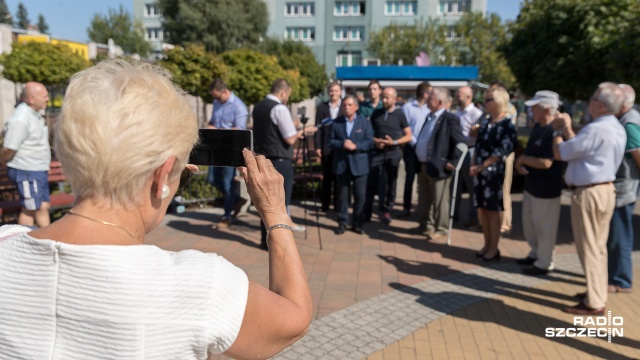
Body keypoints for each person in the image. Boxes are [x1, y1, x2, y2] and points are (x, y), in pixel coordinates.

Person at [0, 61, 312, 359]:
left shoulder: (6, 243)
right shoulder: (201, 284)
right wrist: (274, 212)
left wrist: (162, 186)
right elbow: (294, 320)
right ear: (162, 174)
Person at [552, 82, 626, 315]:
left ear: (601, 105)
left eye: (593, 98)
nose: (589, 101)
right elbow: (580, 151)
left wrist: (557, 130)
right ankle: (596, 291)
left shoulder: (596, 129)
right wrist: (568, 130)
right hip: (604, 190)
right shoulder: (614, 127)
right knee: (598, 247)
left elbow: (561, 152)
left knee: (589, 248)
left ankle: (594, 301)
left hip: (590, 193)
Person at [514, 91, 564, 275]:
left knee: (545, 227)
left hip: (546, 188)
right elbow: (531, 156)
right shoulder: (537, 127)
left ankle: (544, 262)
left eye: (535, 107)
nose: (531, 110)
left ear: (547, 109)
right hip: (532, 185)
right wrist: (523, 162)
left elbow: (546, 162)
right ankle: (535, 253)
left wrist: (523, 160)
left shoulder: (554, 130)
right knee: (530, 223)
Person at [252, 79, 305, 249]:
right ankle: (278, 244)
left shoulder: (258, 106)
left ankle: (264, 241)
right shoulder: (280, 108)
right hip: (279, 161)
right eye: (287, 95)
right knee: (280, 205)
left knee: (265, 203)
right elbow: (289, 138)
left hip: (262, 158)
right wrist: (302, 131)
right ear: (283, 93)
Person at [470, 87, 517, 261]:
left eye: (488, 99)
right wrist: (474, 164)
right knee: (482, 209)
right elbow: (479, 144)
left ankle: (494, 248)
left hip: (493, 173)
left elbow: (502, 150)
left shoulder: (506, 124)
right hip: (480, 171)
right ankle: (486, 244)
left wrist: (483, 165)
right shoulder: (486, 122)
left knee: (492, 210)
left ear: (498, 101)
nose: (485, 103)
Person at [413, 87, 466, 241]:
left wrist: (453, 162)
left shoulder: (450, 119)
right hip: (424, 165)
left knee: (440, 201)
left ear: (441, 102)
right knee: (424, 199)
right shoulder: (430, 116)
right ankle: (425, 225)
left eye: (431, 98)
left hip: (439, 167)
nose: (428, 99)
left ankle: (441, 229)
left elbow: (460, 143)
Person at [0, 82, 51, 228]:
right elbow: (9, 148)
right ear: (31, 99)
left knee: (43, 206)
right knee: (30, 208)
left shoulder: (34, 115)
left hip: (37, 169)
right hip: (27, 171)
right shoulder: (21, 119)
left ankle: (48, 240)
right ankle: (24, 243)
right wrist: (3, 160)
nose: (47, 99)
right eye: (44, 96)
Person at [607, 84, 640, 293]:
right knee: (616, 235)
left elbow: (638, 154)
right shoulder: (623, 119)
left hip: (624, 188)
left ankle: (621, 280)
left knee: (620, 235)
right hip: (621, 186)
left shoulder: (629, 123)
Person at [364, 87, 412, 225]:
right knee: (372, 181)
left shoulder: (400, 114)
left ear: (394, 99)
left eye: (387, 98)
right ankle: (367, 211)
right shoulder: (377, 113)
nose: (384, 100)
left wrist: (394, 142)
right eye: (383, 97)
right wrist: (375, 141)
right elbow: (368, 132)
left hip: (393, 153)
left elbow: (409, 136)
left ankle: (388, 210)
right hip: (377, 152)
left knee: (391, 183)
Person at [206, 78, 248, 228]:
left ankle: (226, 216)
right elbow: (212, 122)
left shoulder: (239, 106)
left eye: (217, 96)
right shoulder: (217, 104)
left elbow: (240, 131)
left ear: (225, 91)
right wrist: (210, 128)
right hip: (217, 148)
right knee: (212, 179)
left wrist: (217, 131)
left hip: (230, 149)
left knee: (227, 183)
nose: (215, 99)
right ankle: (236, 200)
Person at [328, 95, 373, 235]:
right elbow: (330, 141)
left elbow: (369, 141)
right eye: (344, 105)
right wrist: (342, 144)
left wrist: (356, 146)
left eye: (349, 105)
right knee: (342, 196)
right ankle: (342, 222)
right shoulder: (336, 122)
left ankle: (357, 223)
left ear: (356, 107)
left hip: (359, 165)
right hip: (342, 165)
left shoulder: (364, 122)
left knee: (360, 196)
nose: (346, 107)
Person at [489, 81, 518, 235]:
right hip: (492, 156)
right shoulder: (489, 114)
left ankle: (504, 223)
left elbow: (504, 137)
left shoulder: (509, 111)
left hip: (504, 155)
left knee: (504, 188)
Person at [400, 82, 432, 218]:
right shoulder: (407, 107)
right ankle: (406, 207)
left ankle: (421, 207)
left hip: (425, 149)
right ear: (424, 93)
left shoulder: (430, 108)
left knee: (424, 179)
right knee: (409, 178)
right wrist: (414, 142)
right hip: (411, 147)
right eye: (430, 92)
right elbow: (403, 127)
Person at [453, 85, 483, 226]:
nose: (457, 98)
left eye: (459, 95)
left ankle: (473, 216)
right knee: (455, 185)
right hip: (457, 151)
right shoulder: (456, 113)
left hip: (470, 151)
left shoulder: (477, 114)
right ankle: (454, 214)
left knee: (471, 187)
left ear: (468, 97)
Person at [314, 81, 344, 212]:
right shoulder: (322, 107)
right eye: (332, 91)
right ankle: (325, 205)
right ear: (328, 92)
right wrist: (318, 147)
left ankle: (338, 205)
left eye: (336, 91)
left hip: (341, 148)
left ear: (340, 92)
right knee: (327, 178)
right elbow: (318, 128)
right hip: (326, 147)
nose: (334, 93)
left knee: (339, 178)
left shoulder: (345, 106)